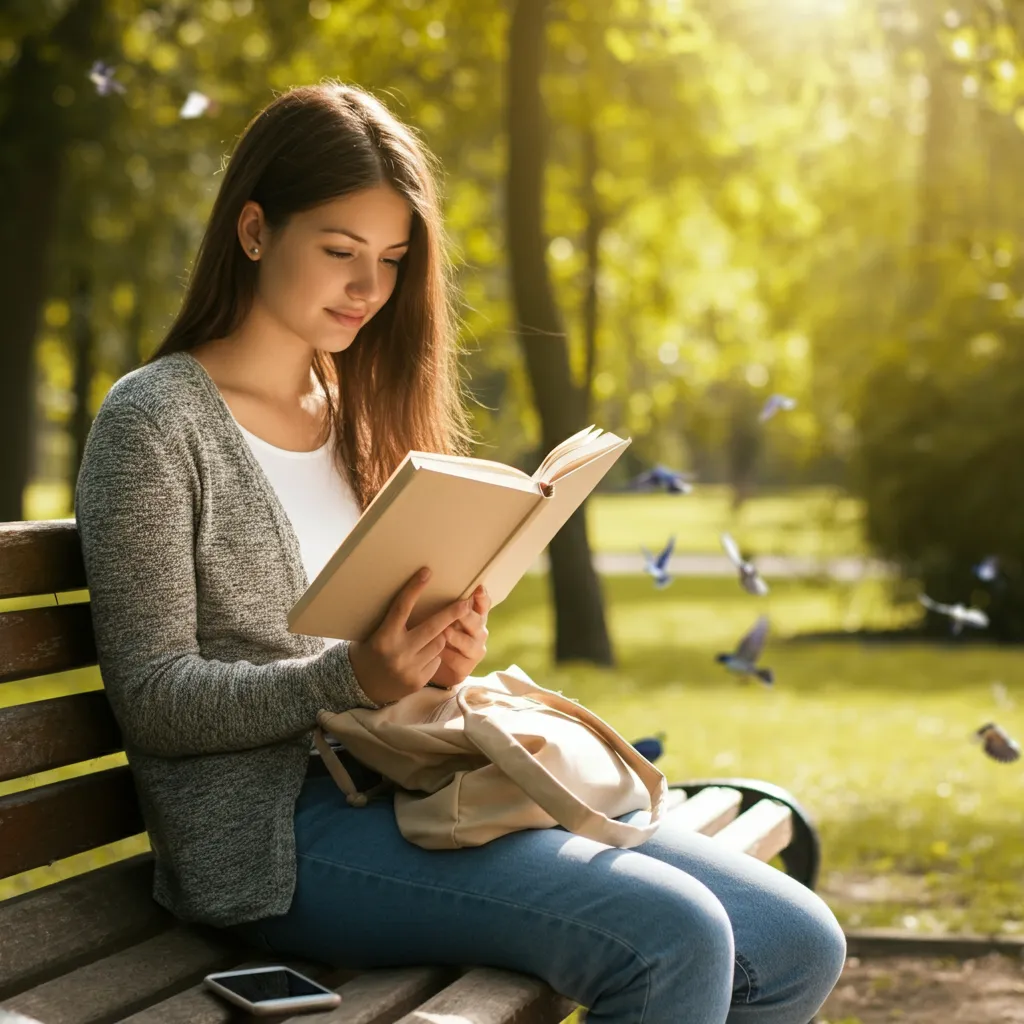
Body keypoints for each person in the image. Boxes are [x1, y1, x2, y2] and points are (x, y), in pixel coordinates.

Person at [74, 81, 846, 1024]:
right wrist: (349, 677)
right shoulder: (154, 423)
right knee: (676, 936)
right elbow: (152, 699)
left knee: (797, 943)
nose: (369, 288)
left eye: (393, 260)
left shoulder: (355, 412)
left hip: (417, 774)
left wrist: (434, 655)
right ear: (252, 231)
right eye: (340, 252)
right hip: (276, 841)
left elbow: (372, 663)